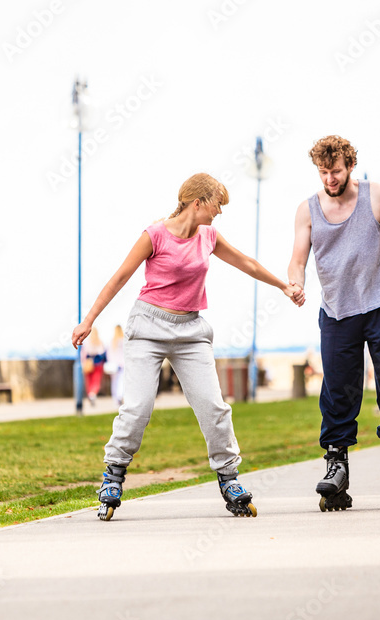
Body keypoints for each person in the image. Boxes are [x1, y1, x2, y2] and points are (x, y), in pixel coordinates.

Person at [72, 173, 304, 521]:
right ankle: (113, 473)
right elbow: (119, 278)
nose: (219, 213)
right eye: (217, 205)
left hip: (191, 330)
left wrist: (283, 286)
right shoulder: (154, 235)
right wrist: (88, 321)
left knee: (213, 407)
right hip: (148, 328)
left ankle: (229, 478)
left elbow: (247, 263)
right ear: (198, 203)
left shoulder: (208, 236)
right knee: (138, 408)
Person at [288, 135, 380, 511]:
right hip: (337, 312)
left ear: (351, 166)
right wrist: (296, 281)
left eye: (335, 171)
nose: (330, 179)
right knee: (338, 390)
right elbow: (298, 257)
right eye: (323, 173)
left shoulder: (377, 197)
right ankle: (337, 464)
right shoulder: (308, 210)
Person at [81, 327, 107, 406]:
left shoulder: (86, 342)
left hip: (88, 363)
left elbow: (83, 354)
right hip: (98, 363)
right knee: (96, 381)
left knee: (89, 381)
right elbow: (102, 353)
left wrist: (83, 363)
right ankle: (92, 394)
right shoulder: (100, 342)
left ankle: (90, 394)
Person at [106, 324, 126, 407]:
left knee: (114, 382)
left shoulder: (112, 341)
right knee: (121, 381)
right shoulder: (124, 341)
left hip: (113, 365)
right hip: (123, 364)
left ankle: (116, 398)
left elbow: (109, 354)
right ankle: (120, 395)